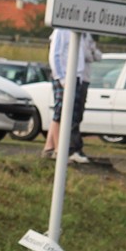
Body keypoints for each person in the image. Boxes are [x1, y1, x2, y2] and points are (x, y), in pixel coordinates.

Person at [43, 28, 98, 164]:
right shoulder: (61, 30)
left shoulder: (79, 31)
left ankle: (49, 147)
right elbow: (55, 54)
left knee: (68, 114)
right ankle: (59, 152)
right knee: (61, 113)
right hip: (65, 77)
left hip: (76, 76)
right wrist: (61, 78)